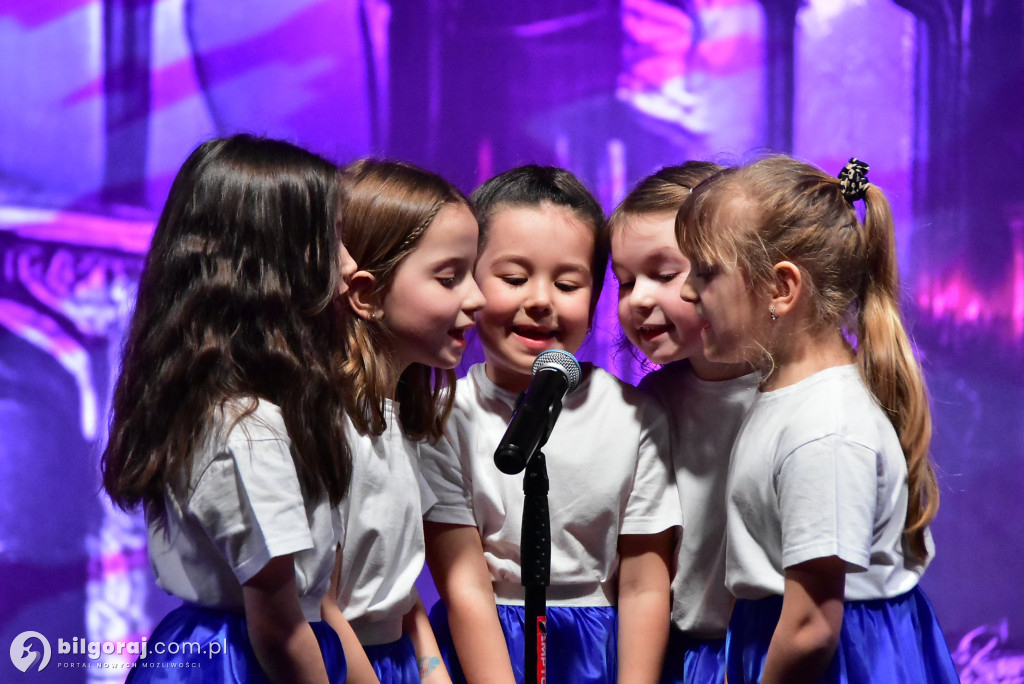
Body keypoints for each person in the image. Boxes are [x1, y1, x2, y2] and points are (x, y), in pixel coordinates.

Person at [676, 154, 961, 683]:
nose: (688, 291)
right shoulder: (791, 397)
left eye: (707, 272)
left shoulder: (824, 429)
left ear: (782, 289)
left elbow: (810, 627)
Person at [101, 134, 356, 683]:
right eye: (333, 239)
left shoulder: (228, 412)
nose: (351, 263)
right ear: (277, 264)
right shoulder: (249, 430)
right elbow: (279, 626)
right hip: (241, 664)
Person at [421, 165, 680, 684]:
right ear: (471, 282)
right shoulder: (445, 417)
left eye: (566, 283)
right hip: (488, 644)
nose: (539, 300)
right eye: (514, 279)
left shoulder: (636, 416)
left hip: (600, 647)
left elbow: (644, 584)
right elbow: (464, 584)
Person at [321, 159, 486, 684]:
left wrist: (431, 670)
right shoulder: (324, 427)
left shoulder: (401, 421)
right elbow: (317, 600)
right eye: (448, 277)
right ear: (366, 293)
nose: (477, 297)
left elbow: (390, 584)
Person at [607, 161, 759, 684]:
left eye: (664, 274)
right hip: (686, 659)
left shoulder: (799, 395)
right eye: (625, 282)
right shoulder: (651, 404)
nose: (639, 298)